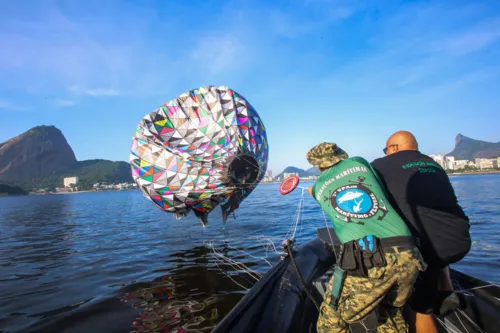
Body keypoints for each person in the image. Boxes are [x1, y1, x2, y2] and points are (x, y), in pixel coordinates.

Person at [306, 142, 426, 333]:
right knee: (390, 312)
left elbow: (318, 193)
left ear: (317, 165)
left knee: (332, 315)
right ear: (340, 154)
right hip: (408, 251)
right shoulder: (359, 163)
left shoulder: (319, 186)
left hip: (373, 257)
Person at [371, 131, 471, 333]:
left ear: (395, 148)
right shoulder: (434, 164)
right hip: (460, 240)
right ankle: (446, 287)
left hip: (429, 248)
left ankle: (423, 310)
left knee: (419, 309)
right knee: (433, 230)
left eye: (386, 149)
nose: (385, 153)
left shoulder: (381, 165)